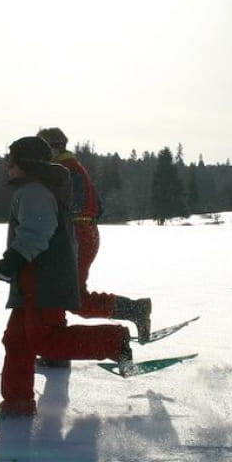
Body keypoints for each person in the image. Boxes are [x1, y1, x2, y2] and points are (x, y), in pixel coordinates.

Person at [0, 136, 134, 416]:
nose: (7, 165)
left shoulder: (35, 190)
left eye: (11, 159)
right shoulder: (35, 188)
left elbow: (36, 233)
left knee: (46, 341)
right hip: (35, 279)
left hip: (43, 280)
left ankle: (114, 341)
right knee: (17, 340)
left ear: (26, 163)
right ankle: (17, 403)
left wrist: (9, 263)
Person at [35, 127, 153, 345]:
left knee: (73, 299)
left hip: (78, 235)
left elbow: (72, 205)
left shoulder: (65, 170)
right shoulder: (73, 168)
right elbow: (97, 207)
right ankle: (56, 351)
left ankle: (135, 312)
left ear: (54, 147)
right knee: (64, 294)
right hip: (85, 233)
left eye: (41, 148)